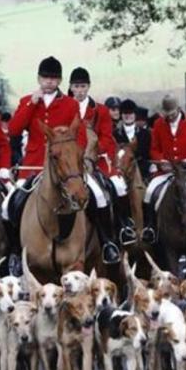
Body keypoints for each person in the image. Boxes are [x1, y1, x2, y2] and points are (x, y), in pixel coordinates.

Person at [2, 56, 89, 273]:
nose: (49, 82)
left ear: (59, 80)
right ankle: (14, 252)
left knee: (96, 196)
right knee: (8, 205)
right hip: (33, 166)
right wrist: (32, 103)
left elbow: (80, 137)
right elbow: (13, 130)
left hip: (66, 168)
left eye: (53, 78)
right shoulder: (27, 102)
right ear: (39, 78)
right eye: (45, 78)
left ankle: (105, 242)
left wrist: (76, 161)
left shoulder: (69, 104)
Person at [69, 67, 127, 263]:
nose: (80, 90)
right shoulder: (64, 107)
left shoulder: (101, 110)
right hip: (69, 164)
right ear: (70, 87)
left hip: (96, 161)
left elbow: (107, 138)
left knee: (109, 190)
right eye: (76, 86)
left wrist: (91, 154)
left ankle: (112, 238)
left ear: (88, 87)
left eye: (83, 86)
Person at [140, 94, 186, 242]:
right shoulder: (159, 124)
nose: (169, 117)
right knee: (149, 191)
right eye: (167, 114)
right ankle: (150, 228)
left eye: (172, 114)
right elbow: (154, 148)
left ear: (178, 109)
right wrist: (161, 161)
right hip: (168, 171)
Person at [113, 98, 152, 181]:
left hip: (142, 172)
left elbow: (147, 154)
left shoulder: (145, 133)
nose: (128, 116)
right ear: (121, 115)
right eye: (125, 113)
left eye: (130, 113)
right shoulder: (115, 134)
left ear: (135, 115)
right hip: (122, 171)